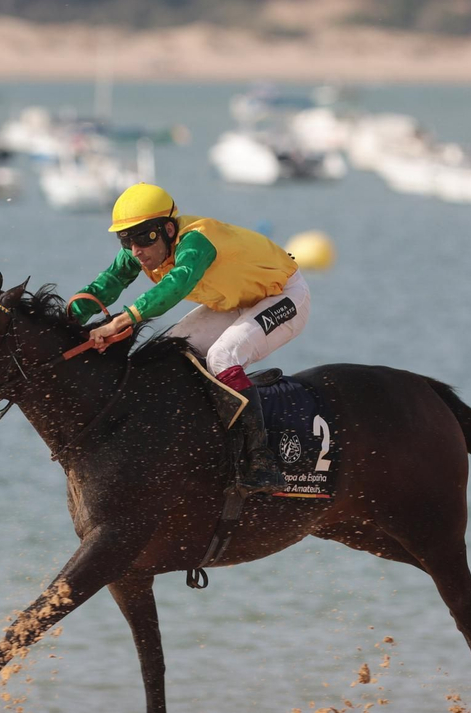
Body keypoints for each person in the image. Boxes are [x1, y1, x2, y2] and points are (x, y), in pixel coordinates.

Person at [70, 183, 310, 494]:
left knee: (223, 356)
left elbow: (176, 285)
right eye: (126, 240)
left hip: (285, 296)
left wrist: (121, 321)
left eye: (144, 237)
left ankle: (261, 461)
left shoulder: (197, 242)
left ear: (169, 229)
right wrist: (68, 319)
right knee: (162, 355)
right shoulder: (138, 252)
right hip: (235, 299)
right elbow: (109, 282)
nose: (136, 250)